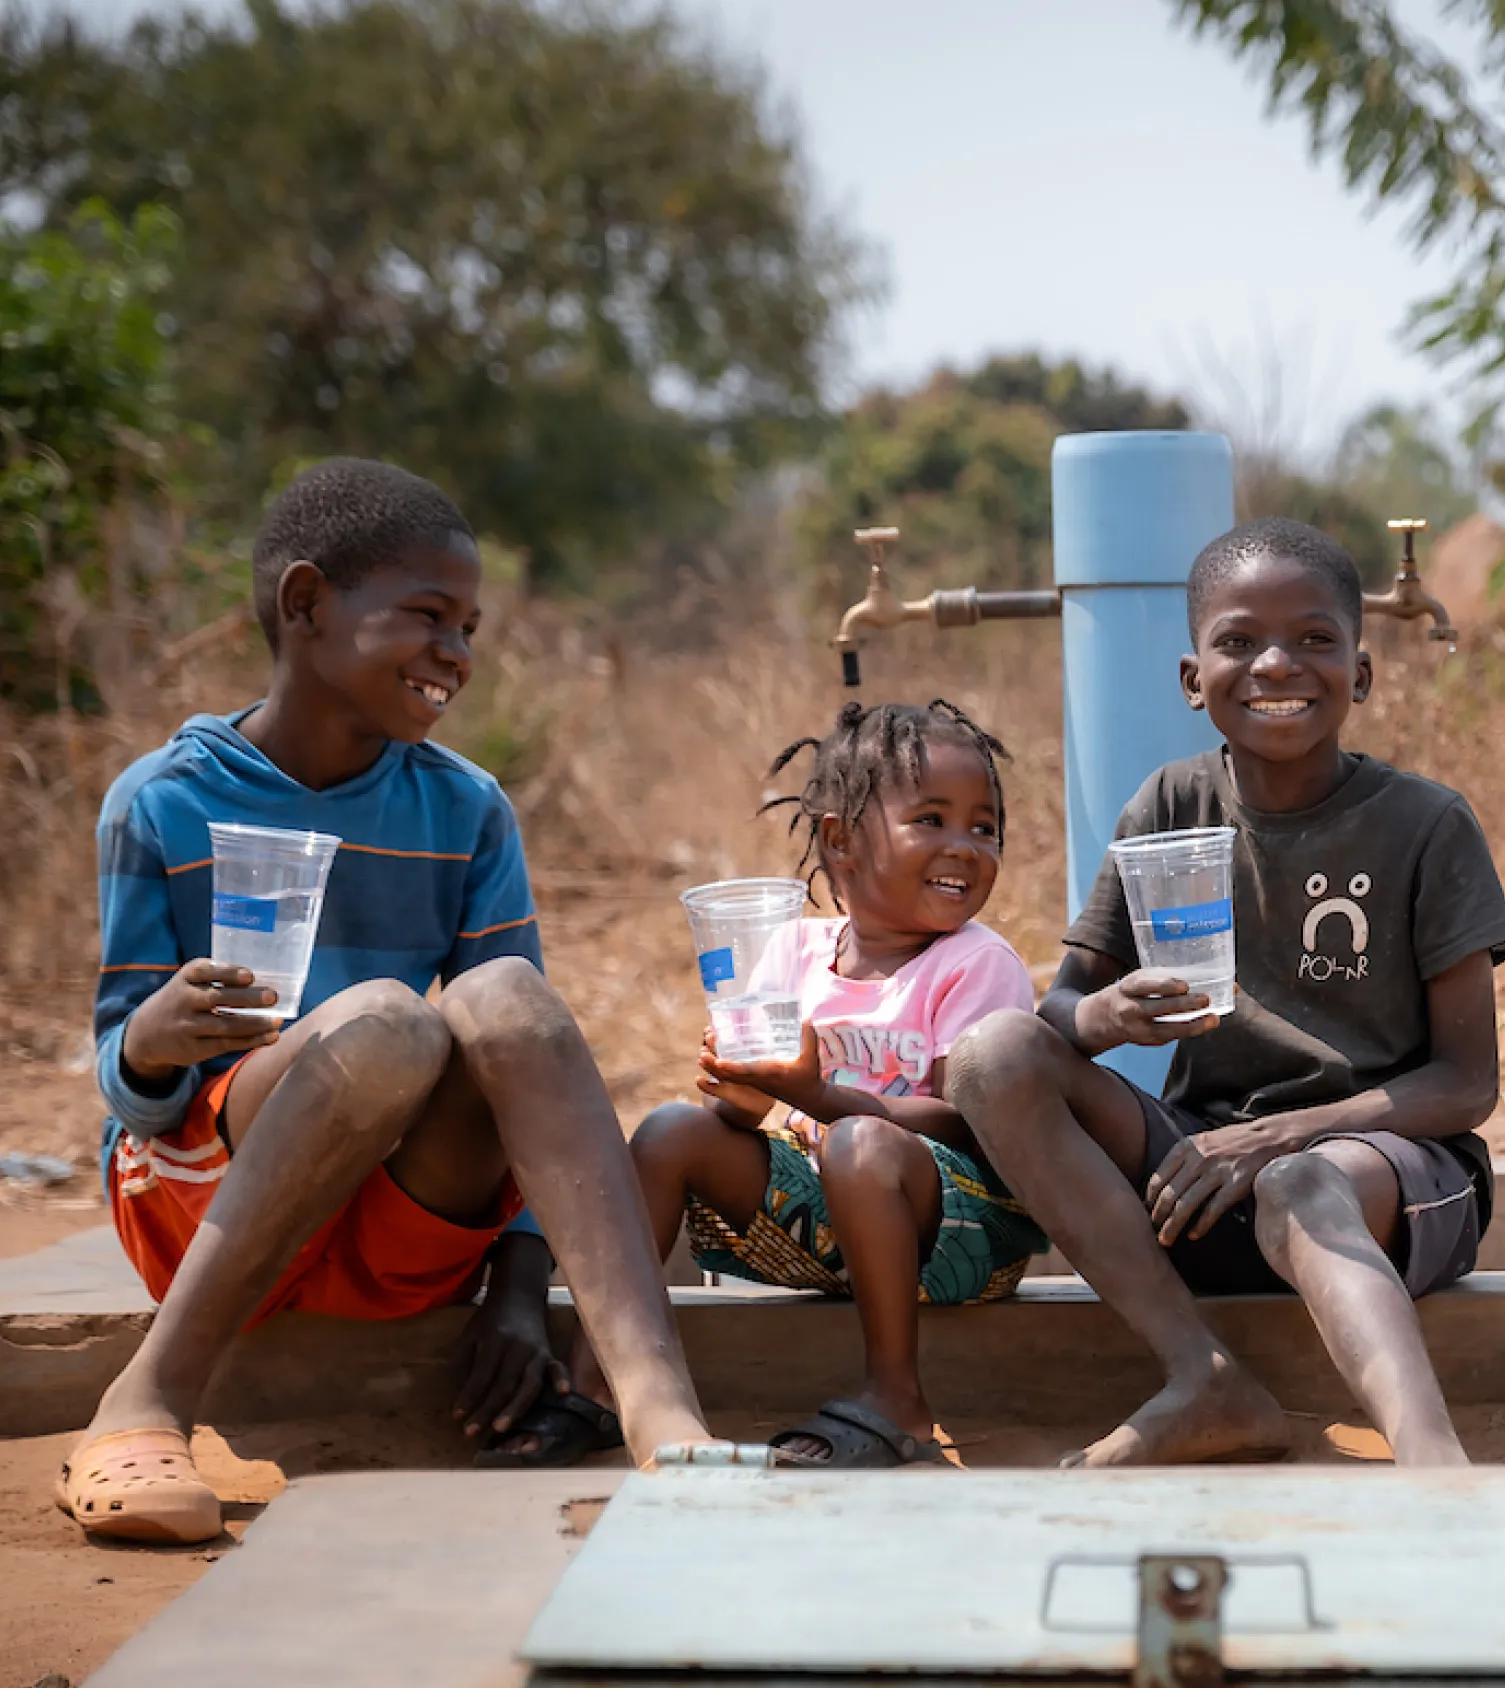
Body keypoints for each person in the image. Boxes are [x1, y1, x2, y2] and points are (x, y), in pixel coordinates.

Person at [65, 457, 736, 1545]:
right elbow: (130, 1087)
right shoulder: (166, 801)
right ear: (306, 603)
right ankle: (146, 1400)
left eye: (469, 628)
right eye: (427, 617)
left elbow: (524, 1073)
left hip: (398, 1229)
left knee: (509, 996)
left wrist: (521, 1288)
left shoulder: (466, 808)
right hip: (206, 1208)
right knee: (388, 1020)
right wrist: (150, 1040)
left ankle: (662, 1412)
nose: (456, 656)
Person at [950, 517, 1505, 1468]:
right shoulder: (1170, 806)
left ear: (1362, 673)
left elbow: (1466, 1085)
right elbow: (1060, 1013)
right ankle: (1204, 1377)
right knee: (991, 1055)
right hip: (1204, 1174)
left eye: (1315, 639)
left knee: (1302, 1180)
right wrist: (1104, 1016)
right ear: (1191, 678)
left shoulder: (1425, 825)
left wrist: (1281, 1136)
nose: (1277, 665)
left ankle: (1435, 1470)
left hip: (1389, 1176)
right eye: (1240, 641)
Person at [498, 699, 1042, 1469]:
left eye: (984, 828)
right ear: (840, 840)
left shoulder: (976, 963)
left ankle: (898, 1398)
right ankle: (600, 1385)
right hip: (824, 1220)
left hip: (961, 1237)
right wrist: (740, 1094)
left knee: (861, 1143)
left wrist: (822, 1097)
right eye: (932, 820)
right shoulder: (789, 951)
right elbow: (755, 1114)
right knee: (669, 1131)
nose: (966, 847)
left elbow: (968, 1125)